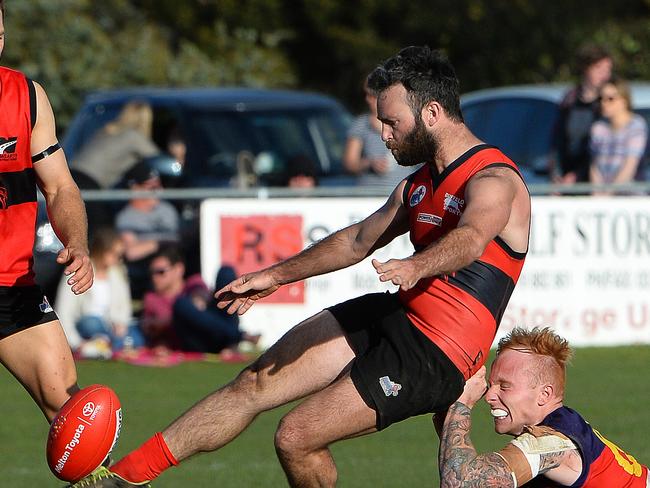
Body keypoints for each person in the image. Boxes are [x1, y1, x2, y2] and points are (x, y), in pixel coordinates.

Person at [70, 45, 531, 487]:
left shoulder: (494, 179)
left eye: (391, 123)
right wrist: (272, 276)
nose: (383, 136)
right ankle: (122, 479)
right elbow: (356, 241)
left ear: (431, 113)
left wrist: (417, 266)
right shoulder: (417, 186)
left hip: (438, 353)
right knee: (253, 382)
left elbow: (471, 239)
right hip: (396, 316)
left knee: (295, 438)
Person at [0, 0, 93, 428]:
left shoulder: (26, 98)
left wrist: (77, 242)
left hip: (10, 282)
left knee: (69, 407)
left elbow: (59, 187)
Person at [435, 327, 648, 487]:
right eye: (491, 385)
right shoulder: (559, 431)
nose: (489, 395)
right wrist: (449, 424)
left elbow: (462, 483)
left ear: (544, 394)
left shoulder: (554, 443)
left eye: (505, 386)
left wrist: (460, 405)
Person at [56, 228, 144, 357]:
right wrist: (76, 343)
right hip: (87, 325)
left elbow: (124, 307)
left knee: (136, 334)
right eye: (114, 254)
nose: (118, 259)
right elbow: (64, 312)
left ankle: (103, 346)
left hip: (111, 327)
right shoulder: (78, 271)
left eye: (120, 255)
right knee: (92, 323)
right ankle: (107, 346)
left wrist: (121, 324)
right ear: (102, 250)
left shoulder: (119, 272)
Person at [115, 160, 180, 300]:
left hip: (173, 269)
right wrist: (160, 242)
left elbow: (179, 242)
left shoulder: (167, 210)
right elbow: (132, 252)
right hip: (145, 275)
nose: (160, 191)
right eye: (152, 187)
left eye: (160, 185)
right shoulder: (126, 217)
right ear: (135, 188)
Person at [551, 44, 613, 185]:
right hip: (566, 182)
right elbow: (557, 142)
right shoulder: (569, 100)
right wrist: (556, 174)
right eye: (599, 68)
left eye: (608, 69)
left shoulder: (609, 102)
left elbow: (604, 149)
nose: (605, 75)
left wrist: (577, 175)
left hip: (598, 182)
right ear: (586, 68)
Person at [343, 78, 419, 191]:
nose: (368, 99)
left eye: (372, 95)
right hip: (370, 195)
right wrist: (370, 164)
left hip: (402, 192)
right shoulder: (361, 125)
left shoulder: (408, 122)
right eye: (366, 94)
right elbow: (349, 163)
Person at [69, 100, 160, 189]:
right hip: (89, 183)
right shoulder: (132, 136)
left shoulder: (108, 130)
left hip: (71, 174)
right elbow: (157, 159)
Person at [172, 268, 260, 355]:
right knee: (186, 308)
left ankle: (232, 343)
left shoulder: (212, 300)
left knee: (226, 272)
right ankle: (234, 340)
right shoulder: (182, 303)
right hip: (200, 345)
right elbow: (205, 321)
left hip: (222, 336)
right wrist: (241, 335)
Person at [589, 77, 648, 192]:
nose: (604, 103)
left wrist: (609, 195)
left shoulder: (636, 126)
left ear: (624, 100)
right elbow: (595, 166)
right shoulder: (598, 128)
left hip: (629, 198)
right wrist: (597, 194)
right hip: (601, 198)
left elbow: (629, 166)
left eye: (610, 98)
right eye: (601, 98)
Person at [140, 246, 185, 350]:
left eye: (161, 272)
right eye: (152, 273)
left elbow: (200, 305)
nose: (154, 278)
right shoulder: (151, 298)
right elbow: (149, 328)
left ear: (179, 269)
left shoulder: (193, 285)